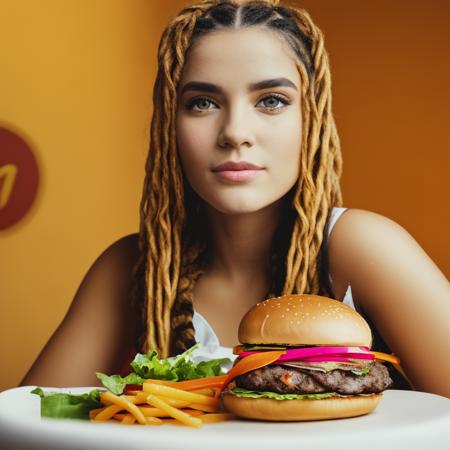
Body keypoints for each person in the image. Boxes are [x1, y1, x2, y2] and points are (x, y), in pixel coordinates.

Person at [20, 0, 450, 397]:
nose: (235, 132)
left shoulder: (361, 245)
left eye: (272, 100)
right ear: (170, 123)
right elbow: (24, 423)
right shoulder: (132, 267)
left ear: (311, 120)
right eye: (203, 102)